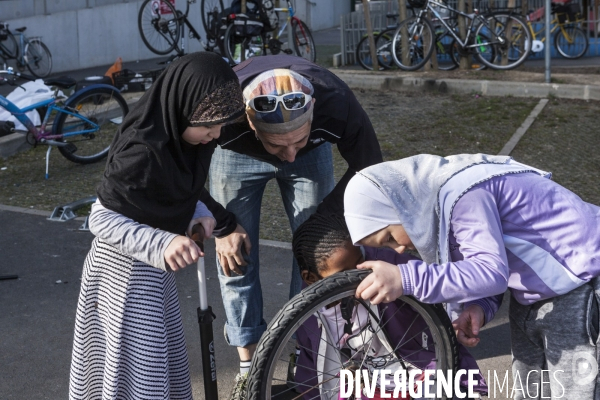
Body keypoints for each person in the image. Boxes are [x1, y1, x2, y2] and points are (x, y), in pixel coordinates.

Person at [343, 154, 600, 400]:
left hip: (580, 282)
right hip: (539, 291)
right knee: (531, 385)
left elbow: (490, 271)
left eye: (388, 237)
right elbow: (491, 259)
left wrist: (406, 277)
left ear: (400, 205)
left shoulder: (466, 195)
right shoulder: (442, 205)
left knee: (574, 389)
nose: (397, 249)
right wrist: (481, 304)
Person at [68, 52, 245, 400]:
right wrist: (161, 242)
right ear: (182, 107)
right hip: (122, 279)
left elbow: (171, 190)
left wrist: (196, 211)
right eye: (208, 126)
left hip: (153, 276)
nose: (215, 135)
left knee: (159, 370)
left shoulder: (180, 143)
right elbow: (101, 217)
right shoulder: (142, 152)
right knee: (137, 377)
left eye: (220, 126)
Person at [206, 54, 383, 396]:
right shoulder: (223, 108)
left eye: (295, 141)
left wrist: (326, 214)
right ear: (249, 119)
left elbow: (369, 166)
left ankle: (302, 351)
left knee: (318, 258)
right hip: (236, 156)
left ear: (314, 108)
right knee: (235, 258)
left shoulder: (336, 101)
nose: (287, 154)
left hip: (313, 156)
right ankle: (250, 366)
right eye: (277, 144)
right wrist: (222, 226)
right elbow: (185, 170)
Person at [290, 213, 487, 399]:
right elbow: (311, 374)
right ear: (310, 278)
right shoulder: (308, 315)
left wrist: (476, 307)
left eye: (360, 262)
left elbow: (448, 282)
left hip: (422, 374)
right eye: (343, 274)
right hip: (365, 388)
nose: (356, 278)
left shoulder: (391, 266)